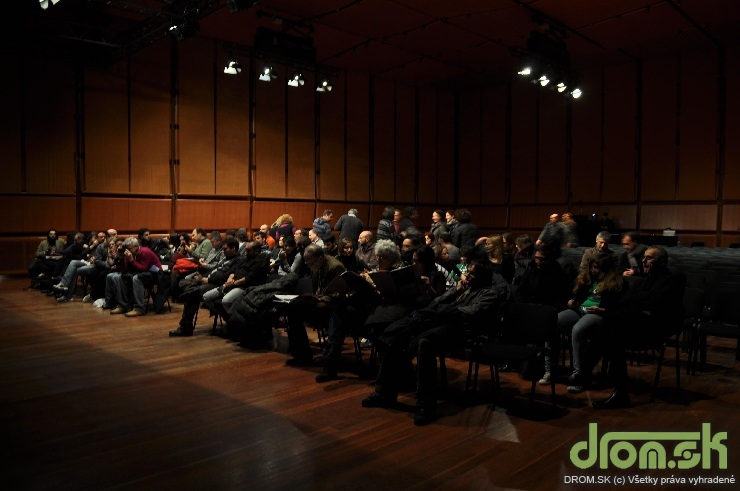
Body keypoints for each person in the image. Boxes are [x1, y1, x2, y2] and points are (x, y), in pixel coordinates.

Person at [361, 261, 508, 426]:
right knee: (397, 337)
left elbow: (471, 312)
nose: (467, 276)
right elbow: (437, 302)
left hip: (461, 333)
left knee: (425, 343)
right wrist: (456, 290)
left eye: (472, 274)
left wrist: (447, 311)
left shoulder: (488, 294)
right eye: (468, 273)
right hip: (441, 324)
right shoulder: (464, 289)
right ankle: (383, 393)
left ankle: (426, 406)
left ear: (482, 277)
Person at [594, 246, 685, 409]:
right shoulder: (642, 281)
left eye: (649, 258)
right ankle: (619, 392)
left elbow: (656, 305)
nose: (643, 261)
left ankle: (587, 372)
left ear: (662, 262)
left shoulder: (674, 279)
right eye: (644, 257)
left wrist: (637, 304)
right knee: (612, 331)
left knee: (612, 326)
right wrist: (638, 304)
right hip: (636, 325)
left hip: (655, 330)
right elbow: (626, 302)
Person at [556, 253, 627, 392]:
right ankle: (549, 369)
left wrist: (602, 309)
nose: (594, 270)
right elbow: (578, 296)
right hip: (580, 309)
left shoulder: (615, 282)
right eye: (593, 267)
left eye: (597, 268)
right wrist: (572, 301)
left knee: (577, 329)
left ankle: (578, 372)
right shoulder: (587, 278)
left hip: (598, 313)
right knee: (554, 321)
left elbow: (617, 306)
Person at [284, 244, 346, 366]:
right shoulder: (316, 265)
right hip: (320, 301)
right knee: (292, 309)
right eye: (306, 262)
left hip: (333, 306)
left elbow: (338, 293)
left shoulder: (335, 267)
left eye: (310, 262)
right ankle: (301, 355)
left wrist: (317, 298)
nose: (308, 265)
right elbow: (317, 288)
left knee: (297, 311)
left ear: (320, 258)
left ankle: (304, 356)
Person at [169, 237, 243, 337]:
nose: (223, 251)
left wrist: (208, 279)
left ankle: (185, 327)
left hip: (218, 284)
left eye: (225, 249)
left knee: (193, 295)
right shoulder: (226, 258)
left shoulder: (238, 260)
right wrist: (203, 276)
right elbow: (215, 270)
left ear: (233, 248)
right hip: (210, 280)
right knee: (189, 287)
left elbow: (226, 276)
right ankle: (185, 323)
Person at [108, 237, 162, 317]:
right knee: (122, 277)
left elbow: (143, 268)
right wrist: (122, 259)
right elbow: (124, 271)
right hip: (141, 273)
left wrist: (131, 260)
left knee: (136, 278)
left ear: (136, 247)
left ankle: (139, 308)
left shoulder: (145, 252)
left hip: (154, 274)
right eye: (127, 248)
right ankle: (123, 305)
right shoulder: (129, 253)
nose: (128, 250)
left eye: (129, 248)